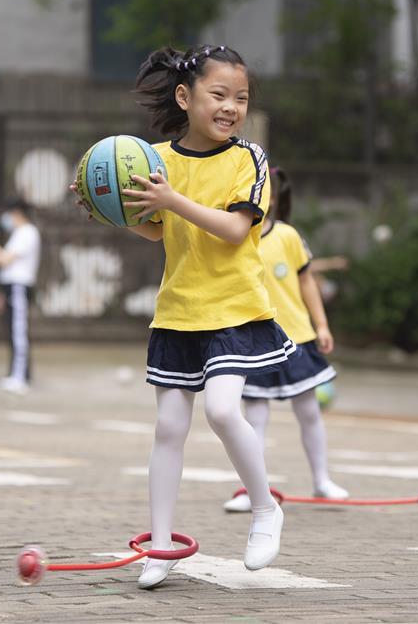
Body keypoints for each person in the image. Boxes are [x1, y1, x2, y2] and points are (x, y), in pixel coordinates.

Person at [71, 44, 292, 589]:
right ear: (185, 97)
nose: (231, 107)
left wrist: (172, 201)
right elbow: (157, 230)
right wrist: (110, 211)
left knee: (221, 410)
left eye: (240, 98)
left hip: (234, 309)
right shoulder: (155, 160)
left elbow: (237, 230)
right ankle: (162, 546)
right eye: (219, 95)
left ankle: (265, 509)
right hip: (177, 310)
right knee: (169, 428)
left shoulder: (249, 159)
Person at [223, 167, 348, 513]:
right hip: (254, 340)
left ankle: (322, 480)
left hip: (298, 337)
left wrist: (321, 325)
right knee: (255, 417)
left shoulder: (289, 236)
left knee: (309, 411)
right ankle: (252, 490)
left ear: (272, 199)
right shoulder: (231, 238)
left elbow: (307, 282)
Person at [0, 197, 41, 395]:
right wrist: (0, 292)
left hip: (19, 287)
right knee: (14, 332)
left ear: (16, 213)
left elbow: (4, 260)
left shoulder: (28, 233)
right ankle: (17, 373)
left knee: (19, 332)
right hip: (11, 288)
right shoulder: (18, 233)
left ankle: (20, 377)